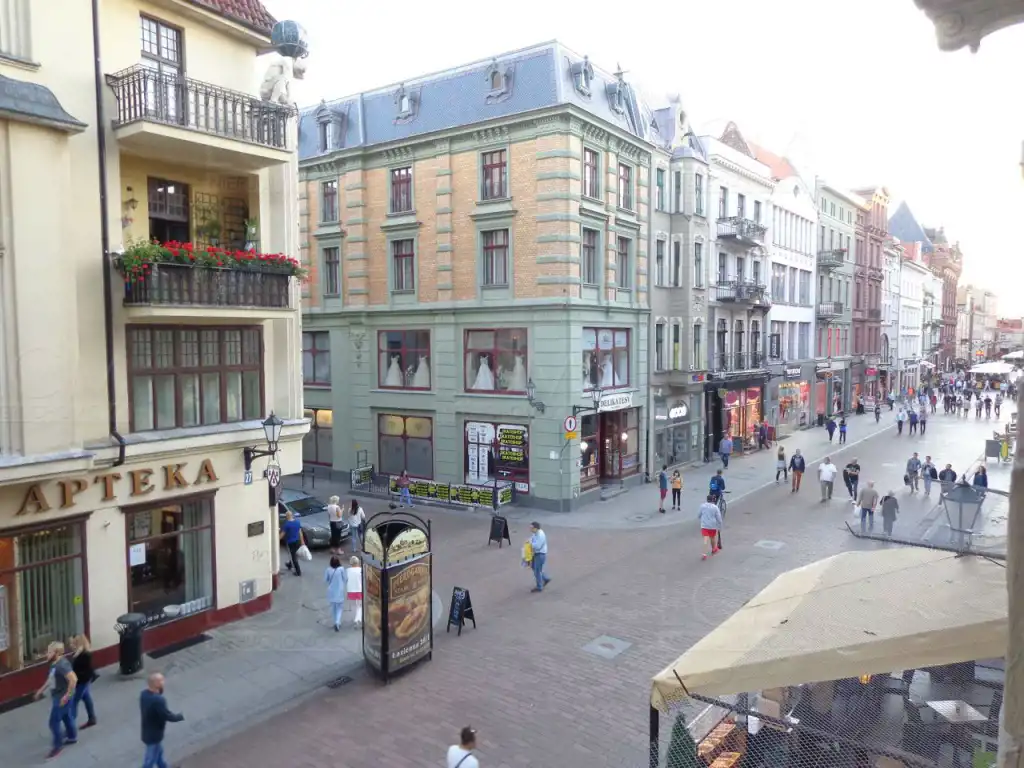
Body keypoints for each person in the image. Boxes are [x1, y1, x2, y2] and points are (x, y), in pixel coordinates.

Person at [34, 641, 77, 759]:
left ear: (57, 653)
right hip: (59, 696)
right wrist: (41, 690)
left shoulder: (61, 665)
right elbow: (51, 679)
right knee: (66, 716)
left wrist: (66, 696)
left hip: (61, 697)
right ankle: (72, 736)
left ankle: (57, 746)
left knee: (53, 723)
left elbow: (73, 679)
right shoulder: (55, 664)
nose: (47, 654)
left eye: (49, 652)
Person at [140, 672, 183, 768]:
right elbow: (166, 715)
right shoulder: (158, 700)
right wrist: (179, 717)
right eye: (162, 680)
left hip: (147, 732)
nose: (164, 682)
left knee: (158, 755)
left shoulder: (144, 695)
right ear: (156, 684)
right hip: (154, 735)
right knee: (150, 760)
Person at [70, 634, 97, 730]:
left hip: (82, 681)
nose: (71, 645)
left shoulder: (84, 655)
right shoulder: (81, 653)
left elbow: (82, 670)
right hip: (84, 680)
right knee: (86, 697)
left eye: (74, 643)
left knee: (73, 702)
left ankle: (70, 728)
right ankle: (92, 718)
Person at [324, 555, 347, 632]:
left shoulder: (328, 570)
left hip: (331, 591)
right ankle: (338, 622)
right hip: (339, 591)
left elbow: (325, 579)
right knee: (339, 608)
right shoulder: (341, 569)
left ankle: (335, 622)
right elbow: (345, 579)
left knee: (333, 608)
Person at [698, 494, 724, 561]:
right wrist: (720, 526)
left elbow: (699, 515)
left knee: (705, 539)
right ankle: (713, 549)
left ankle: (704, 554)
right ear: (713, 500)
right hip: (712, 525)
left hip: (704, 525)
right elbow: (719, 518)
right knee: (712, 538)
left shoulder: (702, 506)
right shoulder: (715, 507)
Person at [279, 509, 305, 577]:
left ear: (287, 516)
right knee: (294, 554)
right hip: (297, 541)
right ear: (292, 515)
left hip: (290, 542)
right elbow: (300, 533)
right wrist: (302, 541)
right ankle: (289, 565)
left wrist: (277, 540)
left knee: (293, 556)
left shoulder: (287, 524)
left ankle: (298, 572)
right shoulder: (297, 522)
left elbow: (282, 534)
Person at [528, 522, 550, 593]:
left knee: (537, 571)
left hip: (540, 554)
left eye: (531, 528)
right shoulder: (535, 533)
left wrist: (530, 544)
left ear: (536, 528)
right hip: (536, 554)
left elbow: (537, 546)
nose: (530, 529)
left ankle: (539, 586)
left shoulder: (540, 535)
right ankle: (545, 578)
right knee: (534, 567)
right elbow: (532, 539)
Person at [346, 556, 364, 626]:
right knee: (360, 605)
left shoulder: (348, 570)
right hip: (359, 590)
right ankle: (357, 619)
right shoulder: (361, 570)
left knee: (356, 605)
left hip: (350, 590)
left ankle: (357, 618)